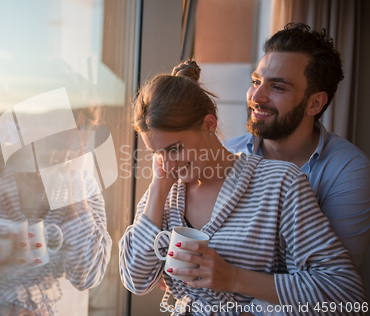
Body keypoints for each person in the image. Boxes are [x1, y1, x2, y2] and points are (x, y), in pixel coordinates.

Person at [119, 60, 367, 316]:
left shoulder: (280, 184)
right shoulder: (166, 193)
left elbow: (344, 293)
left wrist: (233, 278)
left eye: (175, 149)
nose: (168, 163)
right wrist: (159, 187)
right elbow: (136, 280)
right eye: (157, 153)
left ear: (209, 124)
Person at [224, 23, 370, 273]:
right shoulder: (226, 153)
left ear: (315, 103)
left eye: (278, 86)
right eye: (256, 81)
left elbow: (331, 286)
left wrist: (229, 282)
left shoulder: (349, 171)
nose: (256, 97)